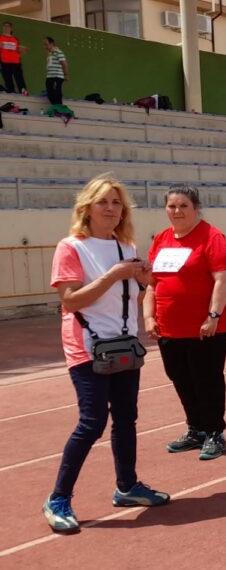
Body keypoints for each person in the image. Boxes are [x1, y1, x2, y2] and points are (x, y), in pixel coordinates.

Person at [45, 175, 169, 532]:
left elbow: (136, 293)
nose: (111, 209)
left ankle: (127, 485)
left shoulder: (125, 247)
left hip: (125, 345)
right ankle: (58, 498)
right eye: (104, 202)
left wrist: (144, 279)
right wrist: (115, 275)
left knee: (127, 417)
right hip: (87, 347)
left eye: (117, 203)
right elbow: (69, 300)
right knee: (92, 421)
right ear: (87, 208)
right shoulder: (71, 247)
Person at [145, 185, 226, 461]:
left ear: (195, 208)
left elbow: (224, 279)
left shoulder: (212, 237)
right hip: (169, 328)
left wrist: (213, 316)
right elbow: (152, 284)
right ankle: (195, 428)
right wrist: (149, 316)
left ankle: (214, 432)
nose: (177, 211)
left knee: (206, 379)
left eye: (183, 206)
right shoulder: (161, 239)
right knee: (180, 378)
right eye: (172, 206)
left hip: (206, 328)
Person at [1, 21, 28, 94]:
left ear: (11, 28)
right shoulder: (0, 38)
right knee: (8, 79)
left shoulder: (15, 39)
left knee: (19, 79)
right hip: (5, 62)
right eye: (5, 26)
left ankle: (24, 93)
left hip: (16, 62)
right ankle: (11, 92)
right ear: (3, 28)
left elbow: (18, 50)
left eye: (8, 26)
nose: (6, 28)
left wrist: (23, 49)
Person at [43, 36, 68, 106]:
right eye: (44, 44)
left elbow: (65, 64)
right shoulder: (49, 54)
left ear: (52, 44)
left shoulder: (58, 52)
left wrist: (65, 75)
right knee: (49, 92)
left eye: (46, 44)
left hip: (57, 76)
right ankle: (55, 106)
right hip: (49, 76)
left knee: (57, 92)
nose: (45, 46)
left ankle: (59, 107)